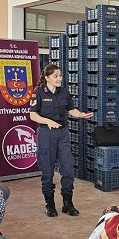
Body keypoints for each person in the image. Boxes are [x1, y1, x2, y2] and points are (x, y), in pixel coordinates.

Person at [29, 64, 93, 218]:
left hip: (63, 133)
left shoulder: (64, 92)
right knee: (47, 170)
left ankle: (67, 203)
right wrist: (47, 121)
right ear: (47, 78)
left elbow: (71, 109)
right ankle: (50, 204)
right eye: (55, 76)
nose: (59, 79)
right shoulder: (38, 93)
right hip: (46, 134)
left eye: (60, 75)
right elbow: (33, 115)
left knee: (67, 168)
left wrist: (80, 114)